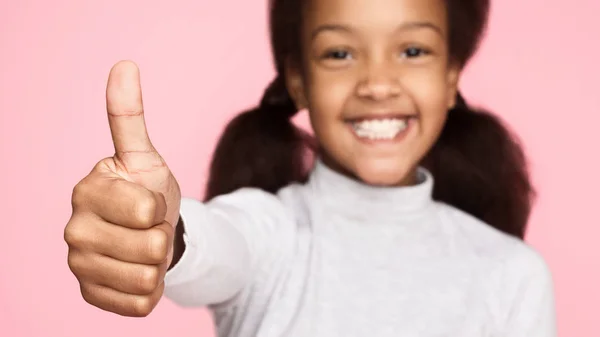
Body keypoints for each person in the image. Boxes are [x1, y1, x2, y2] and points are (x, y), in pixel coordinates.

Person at [64, 0, 556, 335]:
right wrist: (163, 235)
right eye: (339, 53)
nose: (378, 84)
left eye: (413, 51)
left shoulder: (512, 275)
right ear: (298, 81)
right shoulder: (272, 237)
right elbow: (215, 246)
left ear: (451, 78)